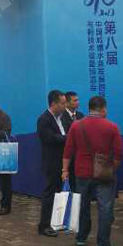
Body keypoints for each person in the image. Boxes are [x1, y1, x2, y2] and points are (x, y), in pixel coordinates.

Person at [63, 96, 123, 246]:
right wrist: (111, 169)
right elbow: (118, 153)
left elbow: (68, 150)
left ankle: (81, 237)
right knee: (105, 208)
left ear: (89, 108)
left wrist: (65, 170)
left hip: (82, 173)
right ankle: (103, 242)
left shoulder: (76, 126)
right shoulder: (112, 127)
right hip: (104, 174)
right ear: (103, 108)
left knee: (83, 206)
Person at [37, 89, 68, 237]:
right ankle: (44, 225)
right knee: (50, 193)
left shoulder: (61, 118)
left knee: (58, 193)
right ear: (54, 104)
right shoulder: (44, 119)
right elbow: (50, 138)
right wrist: (68, 138)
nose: (64, 106)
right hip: (52, 162)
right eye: (62, 103)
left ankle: (55, 222)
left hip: (61, 161)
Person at [62, 91, 85, 191]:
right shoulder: (61, 117)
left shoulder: (81, 116)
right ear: (67, 103)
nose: (78, 102)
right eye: (75, 100)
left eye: (78, 100)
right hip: (68, 155)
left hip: (80, 156)